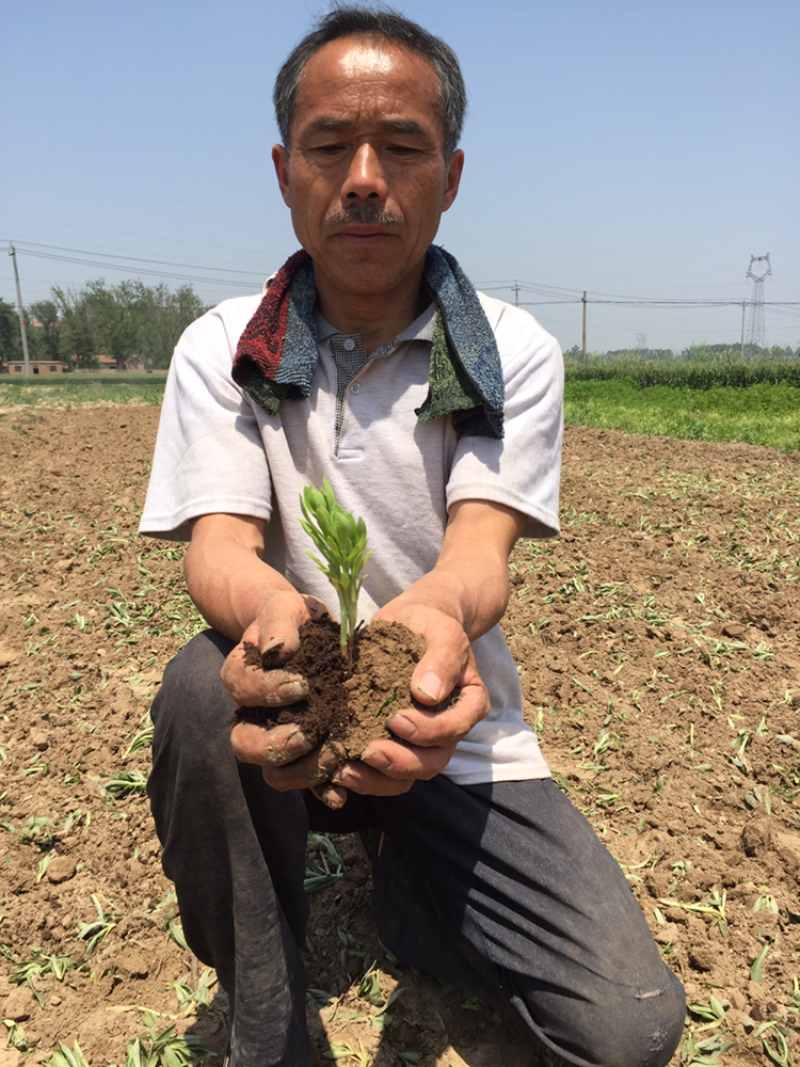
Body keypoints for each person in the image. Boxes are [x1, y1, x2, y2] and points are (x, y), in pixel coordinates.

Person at [140, 8, 686, 1066]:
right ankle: (269, 1015)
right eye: (327, 144)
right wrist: (277, 619)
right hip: (287, 700)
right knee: (199, 691)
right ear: (282, 168)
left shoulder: (507, 349)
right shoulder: (223, 347)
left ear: (450, 173)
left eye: (400, 146)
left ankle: (416, 881)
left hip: (443, 712)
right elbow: (220, 544)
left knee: (625, 1027)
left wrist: (429, 621)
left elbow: (475, 554)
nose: (361, 177)